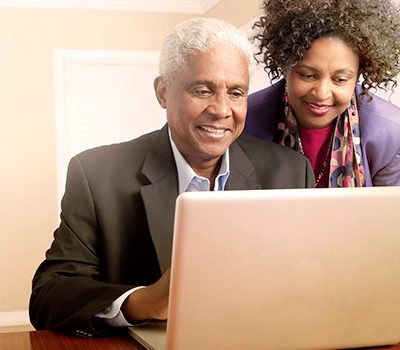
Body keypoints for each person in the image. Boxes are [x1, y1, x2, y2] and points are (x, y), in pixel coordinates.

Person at [29, 17, 314, 337]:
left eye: (236, 92)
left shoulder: (290, 171)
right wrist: (144, 301)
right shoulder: (97, 174)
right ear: (163, 92)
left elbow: (311, 284)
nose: (222, 110)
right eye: (203, 90)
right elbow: (48, 295)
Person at [245, 0, 400, 187]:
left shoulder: (390, 134)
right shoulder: (246, 120)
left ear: (359, 74)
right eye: (308, 75)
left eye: (340, 79)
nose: (321, 93)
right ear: (285, 66)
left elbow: (387, 212)